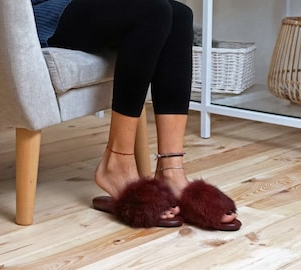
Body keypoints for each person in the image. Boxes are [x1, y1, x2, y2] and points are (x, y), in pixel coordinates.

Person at [32, 0, 241, 230]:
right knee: (152, 10)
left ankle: (171, 170)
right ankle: (116, 164)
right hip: (43, 11)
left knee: (181, 15)